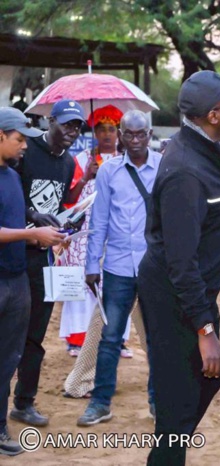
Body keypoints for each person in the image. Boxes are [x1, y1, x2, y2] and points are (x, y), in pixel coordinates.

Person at [138, 70, 220, 465]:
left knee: (202, 386)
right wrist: (205, 330)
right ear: (213, 116)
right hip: (174, 295)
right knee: (179, 405)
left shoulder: (210, 150)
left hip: (192, 291)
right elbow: (179, 262)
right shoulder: (187, 171)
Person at [75, 110, 160, 426]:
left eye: (141, 134)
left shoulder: (164, 167)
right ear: (121, 136)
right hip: (117, 267)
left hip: (153, 268)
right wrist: (91, 264)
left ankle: (157, 402)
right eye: (129, 134)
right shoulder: (109, 171)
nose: (135, 140)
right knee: (110, 337)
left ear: (149, 135)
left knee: (156, 339)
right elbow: (99, 221)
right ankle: (100, 403)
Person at [11, 99, 86, 427]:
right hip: (11, 252)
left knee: (36, 334)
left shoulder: (68, 163)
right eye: (67, 123)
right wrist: (30, 216)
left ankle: (24, 402)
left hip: (42, 258)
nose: (71, 131)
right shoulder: (25, 152)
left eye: (77, 126)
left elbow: (58, 207)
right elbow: (9, 197)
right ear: (50, 121)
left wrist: (65, 229)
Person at [0, 107, 67, 456]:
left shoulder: (11, 176)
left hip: (21, 276)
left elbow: (16, 219)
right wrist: (33, 232)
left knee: (12, 353)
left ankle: (4, 422)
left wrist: (43, 236)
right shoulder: (12, 170)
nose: (24, 145)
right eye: (19, 139)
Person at [60, 105, 125, 357]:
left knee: (115, 284)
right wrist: (87, 176)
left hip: (115, 232)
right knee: (83, 282)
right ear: (94, 132)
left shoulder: (125, 160)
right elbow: (68, 198)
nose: (107, 134)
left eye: (111, 129)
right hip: (85, 232)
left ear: (118, 132)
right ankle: (78, 340)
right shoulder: (80, 160)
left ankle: (116, 339)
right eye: (101, 129)